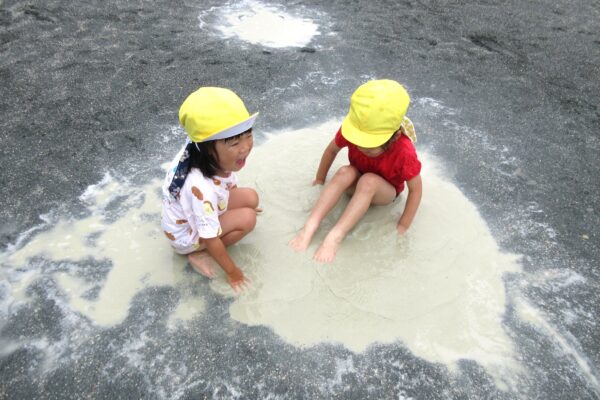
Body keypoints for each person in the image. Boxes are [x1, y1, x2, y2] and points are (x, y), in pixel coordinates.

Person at [289, 79, 422, 263]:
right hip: (357, 179)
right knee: (345, 171)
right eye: (357, 143)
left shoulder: (404, 150)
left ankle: (335, 236)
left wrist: (403, 226)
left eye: (368, 148)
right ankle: (310, 226)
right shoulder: (354, 128)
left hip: (384, 193)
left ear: (395, 137)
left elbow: (415, 190)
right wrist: (319, 179)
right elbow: (331, 150)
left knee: (369, 180)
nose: (360, 149)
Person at [162, 87, 260, 291]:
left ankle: (222, 221)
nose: (245, 147)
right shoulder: (200, 187)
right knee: (247, 219)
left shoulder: (199, 145)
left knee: (251, 198)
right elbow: (209, 236)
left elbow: (226, 182)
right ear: (207, 150)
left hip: (197, 209)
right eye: (234, 142)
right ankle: (197, 253)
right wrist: (233, 274)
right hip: (186, 235)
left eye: (248, 135)